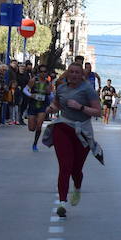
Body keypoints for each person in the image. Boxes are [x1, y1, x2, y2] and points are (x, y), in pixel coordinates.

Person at [44, 62, 103, 218]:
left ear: (82, 75)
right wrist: (52, 108)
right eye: (72, 72)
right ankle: (62, 203)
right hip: (63, 127)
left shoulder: (88, 90)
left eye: (78, 72)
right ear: (68, 74)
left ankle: (77, 187)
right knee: (65, 166)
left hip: (82, 131)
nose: (74, 75)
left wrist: (80, 107)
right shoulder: (62, 88)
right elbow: (57, 104)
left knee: (76, 169)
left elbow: (98, 112)